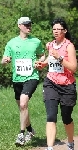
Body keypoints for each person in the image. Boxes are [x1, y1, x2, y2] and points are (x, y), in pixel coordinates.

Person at [1, 17, 45, 146]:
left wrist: (40, 62)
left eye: (30, 24)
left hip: (32, 76)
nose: (29, 26)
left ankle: (21, 134)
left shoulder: (36, 41)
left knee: (23, 103)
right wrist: (5, 61)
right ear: (19, 26)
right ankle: (30, 130)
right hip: (17, 78)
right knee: (22, 107)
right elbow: (3, 60)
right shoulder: (11, 43)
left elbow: (42, 54)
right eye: (26, 24)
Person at [35, 18, 77, 150]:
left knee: (66, 117)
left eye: (59, 29)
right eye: (54, 29)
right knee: (51, 115)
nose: (56, 31)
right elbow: (50, 59)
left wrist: (60, 58)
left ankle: (70, 142)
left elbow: (74, 68)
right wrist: (43, 64)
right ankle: (50, 147)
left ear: (64, 31)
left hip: (67, 85)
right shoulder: (50, 45)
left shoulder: (69, 46)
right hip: (51, 83)